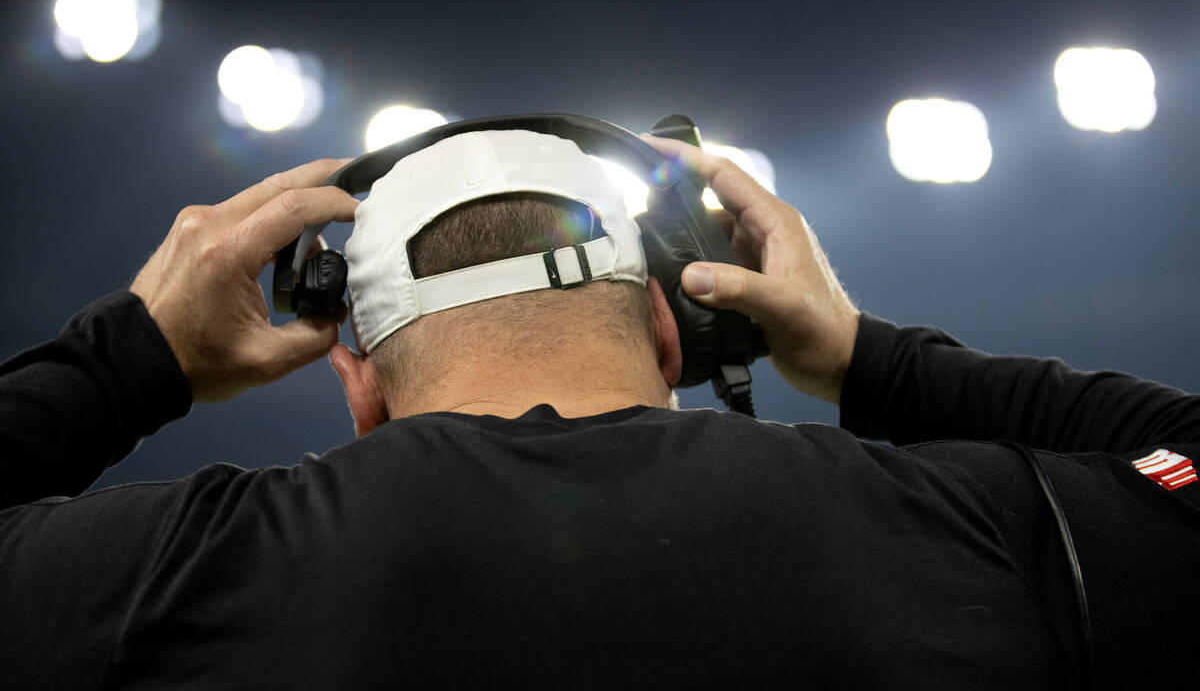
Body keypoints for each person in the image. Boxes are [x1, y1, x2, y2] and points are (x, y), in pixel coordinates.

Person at [0, 131, 1196, 690]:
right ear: (679, 328)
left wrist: (123, 361)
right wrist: (876, 360)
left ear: (355, 378)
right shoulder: (970, 530)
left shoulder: (169, 577)